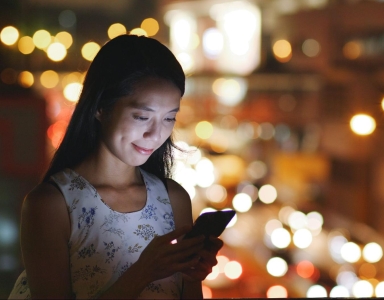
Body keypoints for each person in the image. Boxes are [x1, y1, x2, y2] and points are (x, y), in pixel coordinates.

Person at [9, 34, 223, 299]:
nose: (156, 134)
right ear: (101, 107)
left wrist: (192, 271)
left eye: (169, 118)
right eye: (142, 116)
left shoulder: (173, 199)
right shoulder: (52, 204)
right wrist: (144, 272)